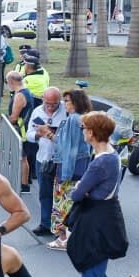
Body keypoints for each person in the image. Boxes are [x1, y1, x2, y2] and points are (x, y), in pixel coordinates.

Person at [65, 110, 129, 277]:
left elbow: (77, 194)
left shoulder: (101, 161)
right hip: (106, 219)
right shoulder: (112, 154)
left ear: (91, 133)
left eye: (84, 128)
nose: (82, 132)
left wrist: (81, 189)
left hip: (96, 224)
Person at [50, 88, 94, 248]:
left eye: (67, 101)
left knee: (63, 204)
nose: (64, 104)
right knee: (72, 203)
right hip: (81, 167)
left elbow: (68, 148)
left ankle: (64, 238)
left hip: (69, 168)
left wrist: (65, 174)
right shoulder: (84, 118)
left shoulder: (72, 120)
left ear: (75, 103)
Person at [26, 86, 67, 236]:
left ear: (59, 101)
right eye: (47, 103)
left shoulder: (66, 111)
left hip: (61, 159)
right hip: (42, 157)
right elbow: (29, 133)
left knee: (61, 194)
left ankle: (61, 226)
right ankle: (45, 223)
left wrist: (51, 132)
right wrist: (38, 135)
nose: (50, 107)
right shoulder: (37, 111)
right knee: (44, 192)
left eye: (53, 104)